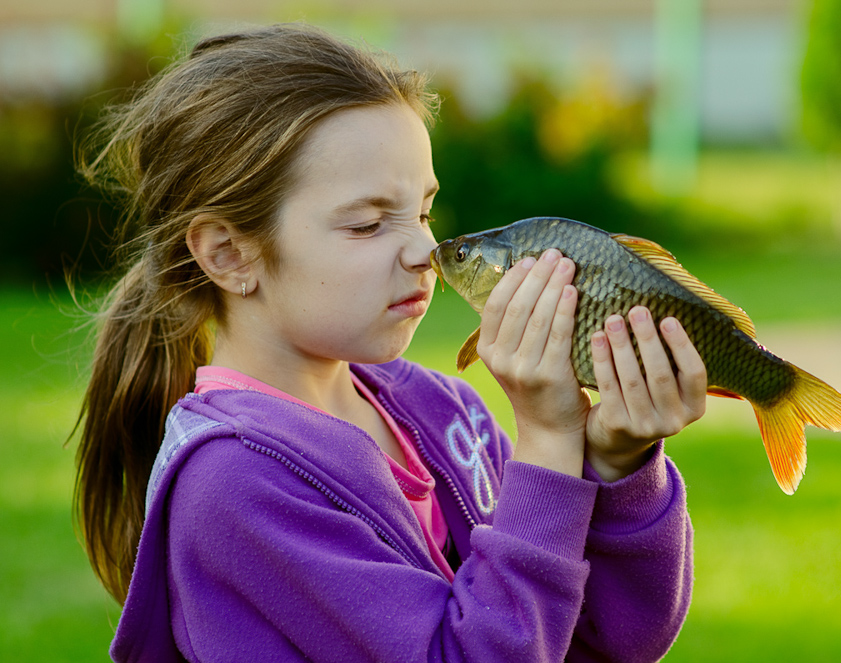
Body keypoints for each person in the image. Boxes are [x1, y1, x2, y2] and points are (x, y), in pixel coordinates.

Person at [73, 23, 707, 663]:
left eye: (425, 212)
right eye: (369, 223)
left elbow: (613, 639)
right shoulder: (237, 484)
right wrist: (545, 444)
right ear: (230, 254)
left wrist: (615, 465)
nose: (423, 252)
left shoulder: (444, 412)